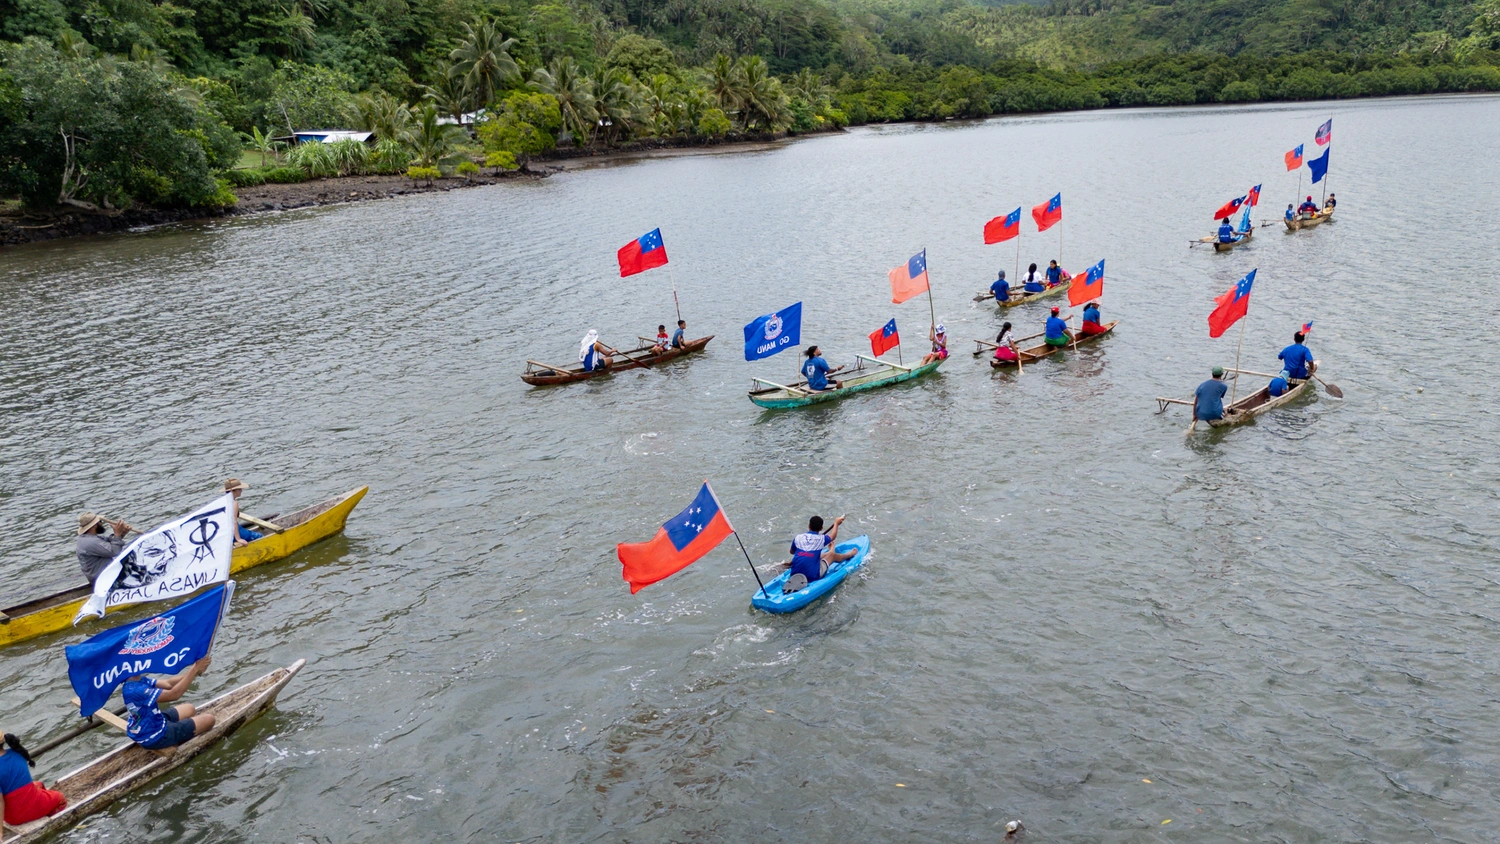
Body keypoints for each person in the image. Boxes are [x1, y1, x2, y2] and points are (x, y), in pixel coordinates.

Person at [121, 657, 216, 752]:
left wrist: (195, 672)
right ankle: (178, 737)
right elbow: (174, 694)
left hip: (152, 721)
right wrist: (194, 668)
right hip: (154, 735)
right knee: (210, 719)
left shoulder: (137, 680)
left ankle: (183, 729)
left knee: (189, 708)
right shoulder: (136, 690)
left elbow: (168, 684)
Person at [0, 732, 66, 828]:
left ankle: (40, 806)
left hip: (12, 818)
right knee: (60, 798)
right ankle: (45, 814)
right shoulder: (18, 752)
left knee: (38, 784)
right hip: (27, 810)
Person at [785, 515, 857, 592]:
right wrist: (836, 523)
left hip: (794, 574)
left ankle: (831, 551)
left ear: (808, 525)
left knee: (814, 556)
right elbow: (833, 536)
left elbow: (792, 552)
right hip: (812, 575)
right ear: (821, 528)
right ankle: (849, 554)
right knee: (832, 556)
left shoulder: (798, 537)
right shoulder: (821, 539)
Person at [77, 512, 135, 584]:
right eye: (100, 522)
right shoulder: (91, 542)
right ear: (95, 525)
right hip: (103, 579)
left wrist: (121, 534)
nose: (102, 524)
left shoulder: (89, 538)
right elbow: (114, 551)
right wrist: (117, 535)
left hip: (101, 576)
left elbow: (110, 542)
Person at [224, 478, 261, 547]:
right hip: (235, 531)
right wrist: (238, 539)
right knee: (259, 536)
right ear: (233, 491)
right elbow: (234, 521)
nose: (241, 490)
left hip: (227, 532)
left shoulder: (223, 502)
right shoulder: (234, 503)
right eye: (239, 489)